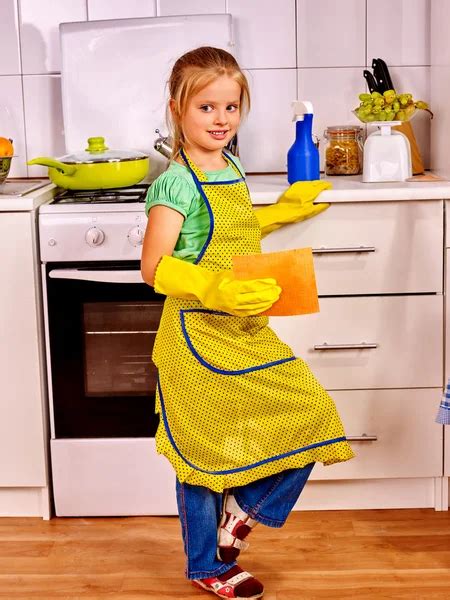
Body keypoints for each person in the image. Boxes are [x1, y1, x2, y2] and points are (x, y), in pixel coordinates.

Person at [141, 46, 354, 600]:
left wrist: (281, 211)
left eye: (231, 107)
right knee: (201, 458)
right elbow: (154, 266)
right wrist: (212, 286)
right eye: (206, 107)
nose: (220, 119)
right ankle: (204, 564)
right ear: (177, 110)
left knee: (314, 418)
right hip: (195, 337)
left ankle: (242, 514)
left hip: (243, 330)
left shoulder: (230, 166)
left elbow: (236, 227)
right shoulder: (174, 184)